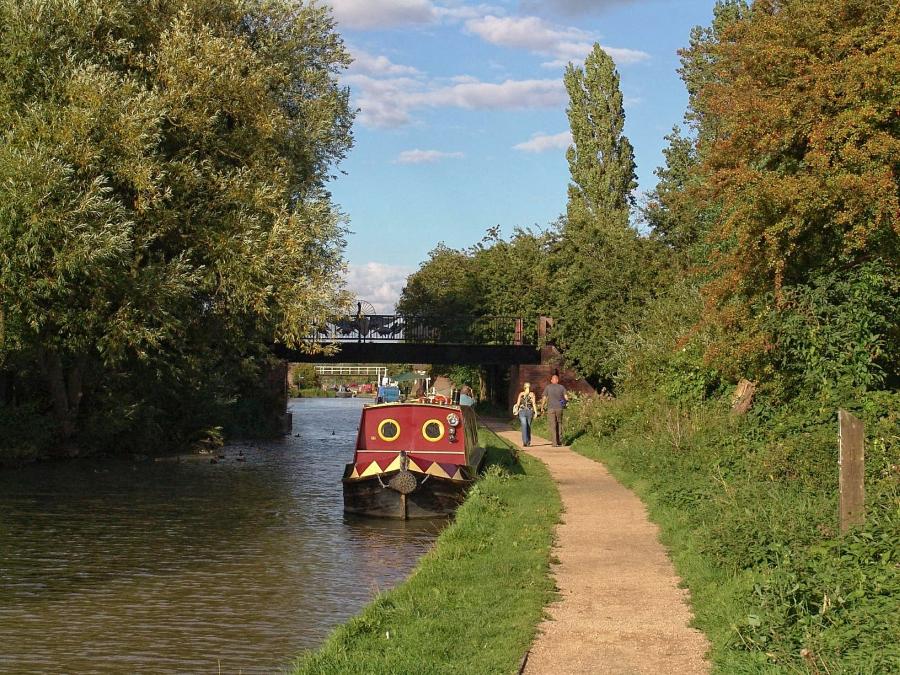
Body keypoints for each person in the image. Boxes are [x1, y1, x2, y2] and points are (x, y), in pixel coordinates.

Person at [542, 373, 568, 446]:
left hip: (551, 408)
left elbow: (544, 397)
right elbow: (566, 398)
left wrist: (542, 406)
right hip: (559, 408)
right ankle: (560, 441)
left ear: (551, 380)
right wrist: (563, 404)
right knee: (559, 423)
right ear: (557, 380)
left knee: (552, 425)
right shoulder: (562, 387)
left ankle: (554, 442)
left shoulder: (548, 387)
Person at [513, 382, 539, 447]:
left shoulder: (532, 394)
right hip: (522, 411)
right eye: (527, 386)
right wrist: (516, 409)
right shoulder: (521, 394)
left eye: (528, 386)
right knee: (524, 425)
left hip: (530, 412)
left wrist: (536, 412)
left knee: (528, 426)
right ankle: (525, 441)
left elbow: (534, 404)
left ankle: (528, 441)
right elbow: (518, 403)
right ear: (524, 387)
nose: (528, 388)